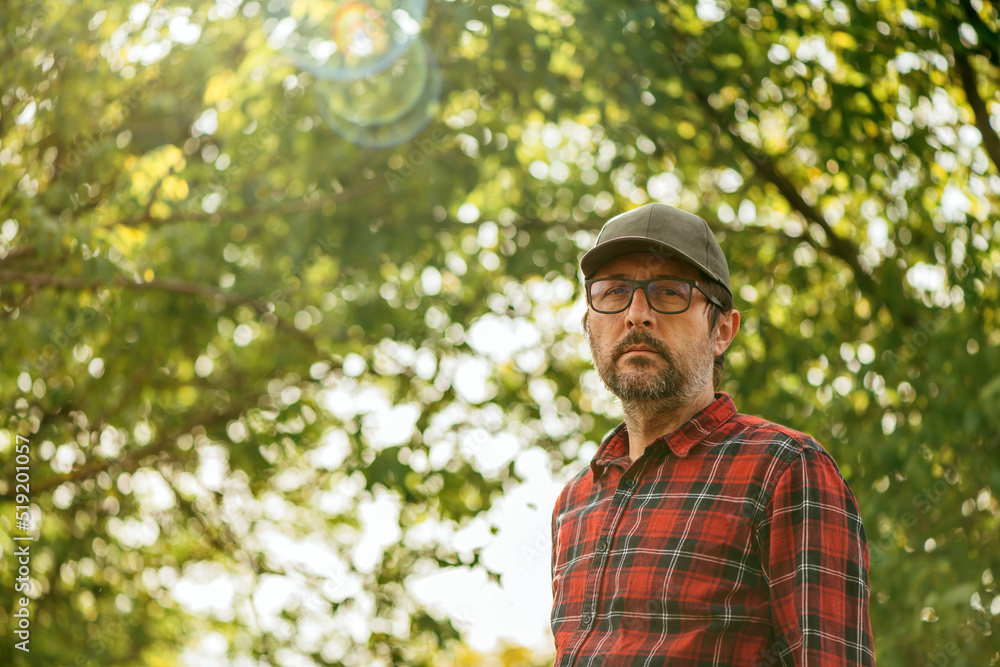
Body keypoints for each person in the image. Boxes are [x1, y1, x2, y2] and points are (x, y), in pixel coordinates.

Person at [550, 203, 875, 665]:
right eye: (614, 291)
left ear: (722, 330)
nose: (637, 314)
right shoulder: (575, 502)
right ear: (588, 325)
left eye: (668, 292)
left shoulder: (786, 469)